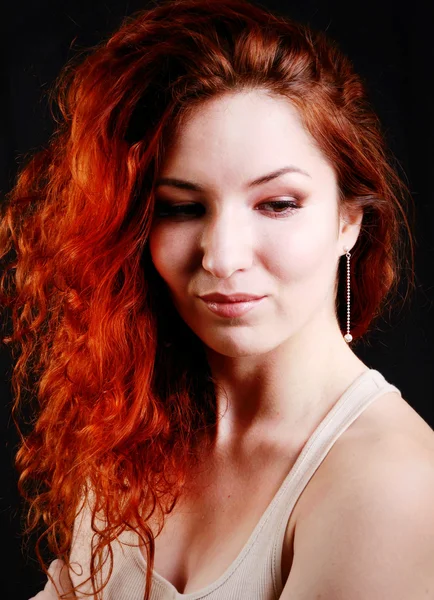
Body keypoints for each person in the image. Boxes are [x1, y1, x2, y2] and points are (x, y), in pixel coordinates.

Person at [1, 0, 434, 598]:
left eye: (277, 204)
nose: (223, 257)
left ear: (348, 221)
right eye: (181, 207)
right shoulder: (138, 428)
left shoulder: (392, 485)